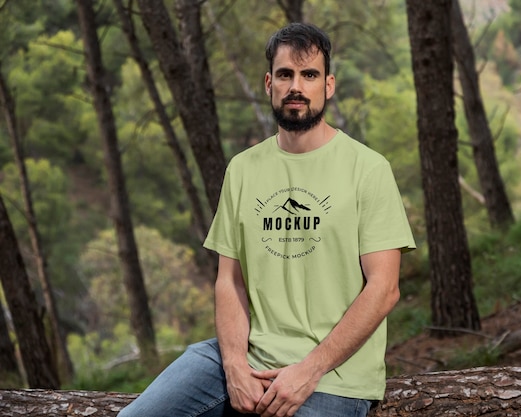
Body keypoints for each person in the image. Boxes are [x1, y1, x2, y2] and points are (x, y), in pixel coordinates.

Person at [118, 22, 415, 417]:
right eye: (285, 74)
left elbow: (384, 289)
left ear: (328, 85)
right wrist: (234, 365)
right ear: (268, 82)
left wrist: (309, 370)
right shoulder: (243, 169)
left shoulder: (368, 168)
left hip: (333, 376)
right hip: (247, 355)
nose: (297, 86)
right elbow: (230, 280)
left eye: (309, 75)